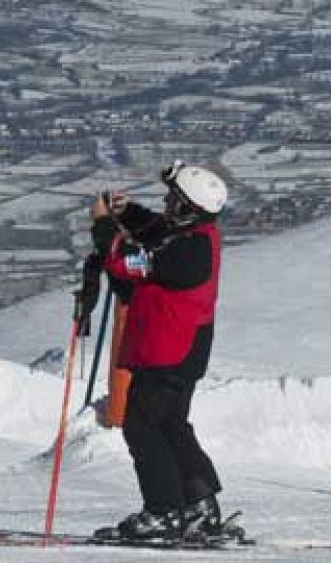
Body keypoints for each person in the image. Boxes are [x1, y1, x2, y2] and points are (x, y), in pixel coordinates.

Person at [84, 161, 231, 544]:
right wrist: (127, 213)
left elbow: (126, 261)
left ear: (188, 208)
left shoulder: (188, 251)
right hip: (178, 349)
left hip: (168, 350)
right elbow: (157, 234)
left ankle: (163, 512)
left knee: (142, 426)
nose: (166, 204)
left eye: (173, 200)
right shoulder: (193, 237)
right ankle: (199, 506)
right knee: (170, 425)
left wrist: (104, 225)